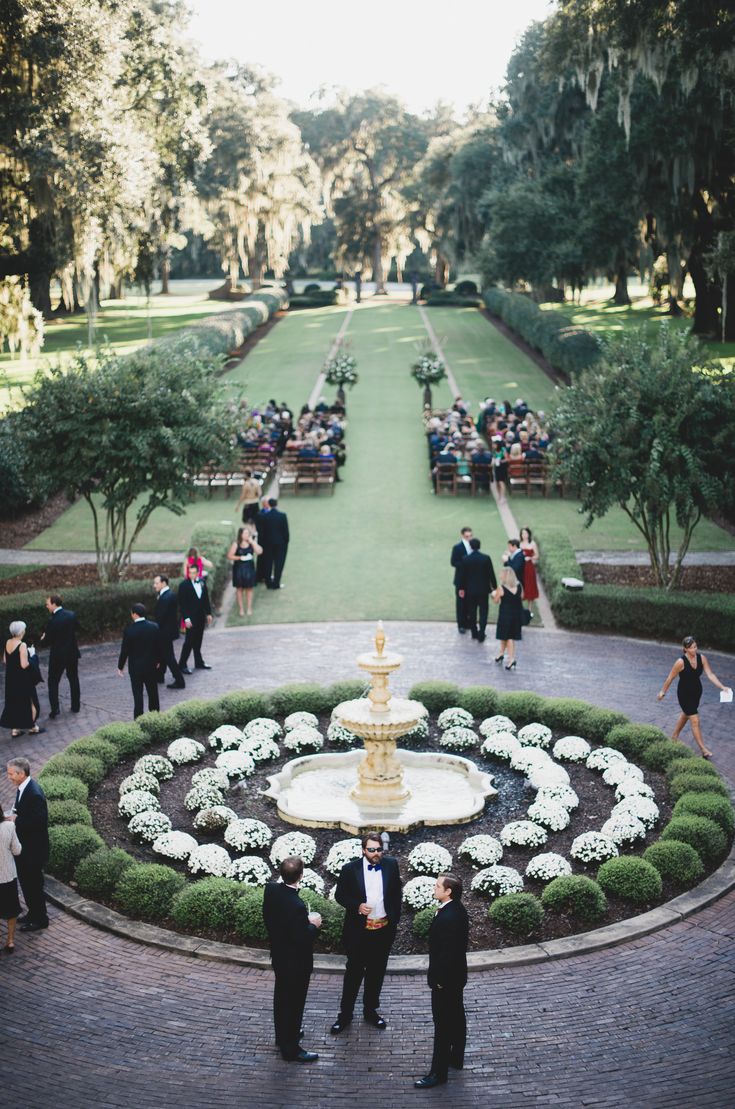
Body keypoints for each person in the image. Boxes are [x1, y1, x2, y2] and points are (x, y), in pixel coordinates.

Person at [331, 832, 402, 1034]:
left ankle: (371, 1011)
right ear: (363, 850)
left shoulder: (391, 865)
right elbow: (339, 895)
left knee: (376, 974)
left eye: (379, 849)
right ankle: (345, 1015)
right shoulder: (349, 869)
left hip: (383, 931)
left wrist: (394, 918)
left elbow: (396, 892)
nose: (376, 853)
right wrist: (357, 906)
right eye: (371, 850)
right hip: (358, 933)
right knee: (353, 975)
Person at [263, 855, 322, 1063]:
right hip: (296, 963)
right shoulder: (296, 904)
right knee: (295, 1003)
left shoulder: (270, 890)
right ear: (301, 875)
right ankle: (291, 1048)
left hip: (279, 957)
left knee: (281, 999)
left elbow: (277, 921)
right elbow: (302, 938)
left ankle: (282, 1037)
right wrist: (313, 924)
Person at [414, 874, 469, 1089]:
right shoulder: (456, 909)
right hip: (456, 977)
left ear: (448, 892)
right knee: (456, 1016)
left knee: (443, 1025)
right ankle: (456, 1058)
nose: (434, 887)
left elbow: (447, 954)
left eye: (438, 886)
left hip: (445, 980)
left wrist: (438, 981)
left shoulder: (448, 917)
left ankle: (438, 1073)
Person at [657, 636, 732, 759]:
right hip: (684, 693)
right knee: (695, 719)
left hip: (696, 692)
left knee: (686, 714)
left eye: (695, 647)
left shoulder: (701, 658)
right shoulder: (680, 662)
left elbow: (710, 674)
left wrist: (722, 686)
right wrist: (662, 691)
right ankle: (703, 749)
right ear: (685, 649)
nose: (694, 650)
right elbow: (670, 678)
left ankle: (674, 736)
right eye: (691, 648)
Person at [6, 757, 49, 932]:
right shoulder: (22, 788)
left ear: (21, 774)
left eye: (11, 774)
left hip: (33, 851)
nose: (9, 777)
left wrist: (16, 820)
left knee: (34, 886)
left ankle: (41, 919)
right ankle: (33, 913)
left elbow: (39, 822)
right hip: (25, 850)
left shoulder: (34, 793)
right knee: (26, 884)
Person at [117, 604, 161, 719]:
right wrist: (158, 660)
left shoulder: (129, 630)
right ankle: (155, 717)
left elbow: (124, 650)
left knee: (138, 695)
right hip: (151, 666)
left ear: (135, 614)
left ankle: (139, 719)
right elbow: (159, 646)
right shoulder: (154, 627)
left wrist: (120, 666)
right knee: (153, 693)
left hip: (135, 668)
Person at [1, 622, 44, 737]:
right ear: (21, 631)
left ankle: (15, 730)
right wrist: (33, 656)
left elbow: (5, 660)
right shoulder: (22, 645)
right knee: (31, 702)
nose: (25, 631)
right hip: (22, 678)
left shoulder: (7, 642)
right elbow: (24, 664)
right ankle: (33, 727)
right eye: (24, 629)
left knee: (14, 702)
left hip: (10, 678)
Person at [41, 594, 80, 718]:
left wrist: (43, 639)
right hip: (72, 653)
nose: (46, 606)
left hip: (58, 656)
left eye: (47, 604)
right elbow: (77, 628)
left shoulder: (52, 621)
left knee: (53, 681)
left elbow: (47, 641)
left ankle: (55, 709)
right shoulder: (71, 615)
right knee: (73, 679)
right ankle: (76, 706)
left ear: (54, 604)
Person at [457, 538, 497, 643]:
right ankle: (482, 632)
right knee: (483, 612)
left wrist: (461, 588)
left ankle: (474, 632)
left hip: (470, 591)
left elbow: (462, 576)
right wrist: (495, 587)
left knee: (472, 612)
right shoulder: (486, 558)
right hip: (483, 590)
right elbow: (491, 574)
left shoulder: (465, 559)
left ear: (470, 546)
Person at [178, 564, 213, 673]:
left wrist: (208, 613)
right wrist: (186, 618)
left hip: (200, 617)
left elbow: (206, 599)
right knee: (189, 642)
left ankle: (199, 662)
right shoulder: (184, 585)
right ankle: (182, 664)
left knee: (198, 640)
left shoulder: (202, 582)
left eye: (194, 572)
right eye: (190, 572)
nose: (191, 574)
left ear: (198, 573)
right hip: (190, 618)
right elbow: (182, 604)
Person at [153, 574, 186, 690]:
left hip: (164, 632)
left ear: (163, 583)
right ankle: (159, 676)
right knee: (162, 655)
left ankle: (179, 680)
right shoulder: (168, 595)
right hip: (167, 631)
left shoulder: (166, 597)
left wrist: (154, 630)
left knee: (169, 657)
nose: (154, 585)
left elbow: (160, 617)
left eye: (156, 583)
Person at [0, 799, 22, 952]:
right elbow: (17, 850)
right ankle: (10, 940)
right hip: (7, 876)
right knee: (11, 910)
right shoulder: (9, 827)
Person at [492, 567, 524, 670]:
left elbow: (496, 601)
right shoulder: (519, 586)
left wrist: (494, 594)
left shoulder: (501, 588)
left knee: (508, 637)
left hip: (505, 615)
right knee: (505, 635)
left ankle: (511, 659)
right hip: (516, 614)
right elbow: (522, 597)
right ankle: (501, 654)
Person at [227, 526, 263, 617]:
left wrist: (252, 542)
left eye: (248, 533)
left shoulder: (251, 543)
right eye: (245, 533)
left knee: (249, 589)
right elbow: (230, 556)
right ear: (241, 534)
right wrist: (240, 558)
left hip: (249, 568)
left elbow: (259, 552)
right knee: (239, 589)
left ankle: (249, 607)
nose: (247, 535)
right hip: (239, 568)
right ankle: (241, 609)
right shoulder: (236, 544)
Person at [260, 498, 290, 590]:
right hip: (280, 544)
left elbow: (263, 532)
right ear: (276, 505)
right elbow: (286, 532)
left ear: (269, 504)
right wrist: (285, 542)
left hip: (268, 544)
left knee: (268, 563)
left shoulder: (265, 516)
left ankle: (268, 583)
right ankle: (276, 583)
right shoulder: (282, 516)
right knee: (279, 563)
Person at [450, 527, 473, 634]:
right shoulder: (457, 547)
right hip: (461, 579)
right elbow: (453, 562)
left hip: (471, 579)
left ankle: (468, 623)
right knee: (460, 603)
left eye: (470, 536)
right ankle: (461, 625)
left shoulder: (473, 546)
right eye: (466, 536)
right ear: (462, 535)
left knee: (469, 602)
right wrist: (465, 565)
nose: (469, 538)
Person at [519, 526, 540, 614]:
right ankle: (520, 607)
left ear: (529, 534)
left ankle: (530, 608)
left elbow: (537, 555)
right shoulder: (519, 543)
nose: (524, 535)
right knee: (521, 584)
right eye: (523, 534)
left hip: (529, 567)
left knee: (530, 585)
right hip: (521, 566)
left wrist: (530, 558)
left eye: (526, 533)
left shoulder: (532, 543)